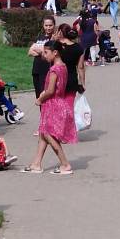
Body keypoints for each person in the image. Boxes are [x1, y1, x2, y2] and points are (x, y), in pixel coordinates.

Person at [25, 40, 76, 175]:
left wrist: (40, 98)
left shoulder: (54, 69)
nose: (44, 55)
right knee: (43, 133)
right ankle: (36, 163)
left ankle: (65, 163)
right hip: (58, 102)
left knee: (48, 134)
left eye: (46, 52)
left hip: (53, 104)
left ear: (55, 52)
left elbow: (50, 90)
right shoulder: (63, 66)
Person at [28, 14, 56, 99]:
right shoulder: (40, 37)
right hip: (36, 70)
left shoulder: (54, 38)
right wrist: (42, 51)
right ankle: (42, 112)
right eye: (46, 25)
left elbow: (49, 53)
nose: (48, 28)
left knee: (45, 96)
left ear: (54, 25)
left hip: (46, 70)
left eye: (50, 25)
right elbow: (30, 52)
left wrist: (38, 49)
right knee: (38, 95)